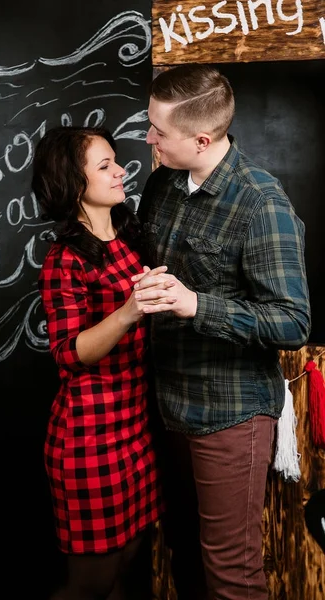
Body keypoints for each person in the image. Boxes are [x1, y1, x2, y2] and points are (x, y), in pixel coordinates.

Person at [132, 64, 311, 600]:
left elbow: (292, 321)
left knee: (230, 572)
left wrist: (196, 305)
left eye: (158, 132)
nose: (148, 139)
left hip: (228, 411)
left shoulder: (262, 204)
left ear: (202, 139)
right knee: (182, 551)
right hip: (166, 404)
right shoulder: (162, 182)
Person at [31, 126, 173, 600]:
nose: (121, 170)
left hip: (135, 428)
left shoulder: (130, 237)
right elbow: (69, 353)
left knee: (126, 566)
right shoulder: (64, 259)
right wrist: (132, 309)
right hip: (90, 438)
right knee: (89, 585)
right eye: (105, 165)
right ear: (75, 184)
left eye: (116, 160)